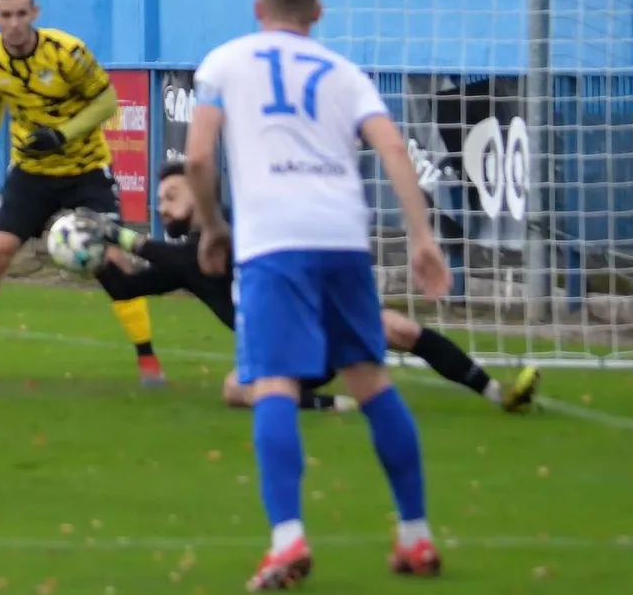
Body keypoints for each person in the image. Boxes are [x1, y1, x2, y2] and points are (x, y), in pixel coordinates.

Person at [184, 0, 451, 591]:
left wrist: (213, 226)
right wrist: (422, 237)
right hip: (342, 238)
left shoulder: (225, 62)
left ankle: (287, 540)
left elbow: (196, 158)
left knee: (274, 382)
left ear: (258, 8)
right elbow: (393, 147)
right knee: (371, 379)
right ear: (318, 13)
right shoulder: (344, 73)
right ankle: (416, 535)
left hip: (274, 241)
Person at [90, 161, 542, 413]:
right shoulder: (183, 260)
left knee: (399, 328)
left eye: (172, 196)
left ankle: (498, 392)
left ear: (200, 192)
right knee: (234, 388)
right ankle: (331, 405)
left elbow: (185, 257)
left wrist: (117, 235)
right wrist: (92, 260)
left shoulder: (227, 228)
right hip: (284, 355)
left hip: (318, 327)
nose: (162, 207)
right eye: (159, 200)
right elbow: (129, 289)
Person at [0, 0, 166, 385]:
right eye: (6, 15)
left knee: (109, 257)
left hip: (85, 169)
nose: (14, 23)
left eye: (22, 14)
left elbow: (107, 101)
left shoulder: (66, 52)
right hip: (31, 173)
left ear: (34, 13)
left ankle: (147, 357)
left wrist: (61, 134)